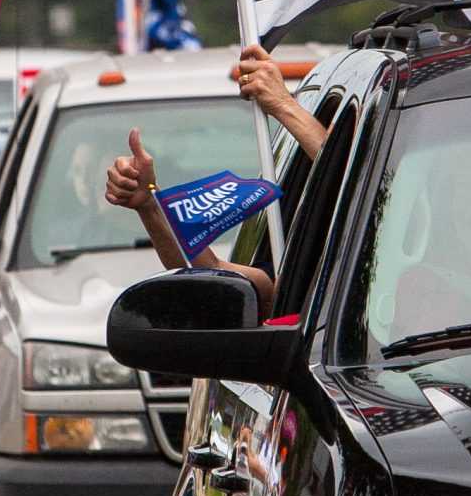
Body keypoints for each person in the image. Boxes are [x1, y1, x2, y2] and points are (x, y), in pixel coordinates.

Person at [104, 45, 325, 309]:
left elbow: (357, 181)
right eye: (332, 137)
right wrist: (149, 205)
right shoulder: (312, 235)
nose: (328, 150)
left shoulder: (373, 207)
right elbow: (209, 274)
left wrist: (284, 105)